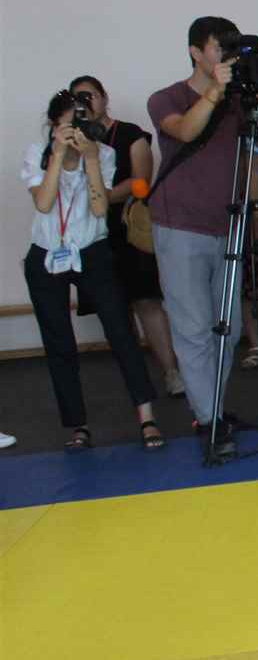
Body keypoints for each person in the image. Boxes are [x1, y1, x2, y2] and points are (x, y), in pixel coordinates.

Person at [147, 15, 258, 458]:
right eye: (221, 48)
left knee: (230, 327)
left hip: (229, 222)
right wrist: (217, 91)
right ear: (196, 52)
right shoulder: (167, 97)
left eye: (234, 49)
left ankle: (212, 408)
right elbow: (185, 130)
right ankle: (209, 419)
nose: (229, 57)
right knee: (194, 328)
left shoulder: (240, 100)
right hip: (179, 225)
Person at [23, 91, 163, 451]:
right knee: (59, 342)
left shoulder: (103, 152)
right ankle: (78, 426)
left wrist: (90, 159)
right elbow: (44, 203)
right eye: (72, 122)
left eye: (85, 121)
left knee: (121, 331)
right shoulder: (37, 152)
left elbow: (100, 209)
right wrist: (57, 155)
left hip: (92, 250)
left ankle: (147, 417)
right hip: (47, 254)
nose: (80, 129)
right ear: (54, 125)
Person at [67, 75, 181, 397]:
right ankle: (137, 382)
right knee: (114, 310)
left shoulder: (130, 133)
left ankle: (172, 372)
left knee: (147, 301)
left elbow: (140, 182)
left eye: (90, 96)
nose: (85, 103)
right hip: (90, 233)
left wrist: (100, 195)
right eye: (78, 98)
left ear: (104, 98)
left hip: (129, 229)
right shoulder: (70, 139)